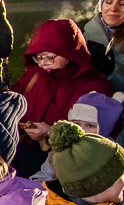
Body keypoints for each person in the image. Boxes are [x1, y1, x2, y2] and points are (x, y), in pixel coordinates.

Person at [10, 18, 115, 177]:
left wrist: (52, 131)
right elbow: (10, 102)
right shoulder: (34, 75)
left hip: (69, 164)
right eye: (38, 57)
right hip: (22, 154)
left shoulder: (97, 87)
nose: (43, 63)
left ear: (69, 54)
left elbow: (101, 139)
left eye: (49, 57)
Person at [31, 91, 124, 183]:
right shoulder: (61, 150)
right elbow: (43, 175)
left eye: (90, 126)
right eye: (76, 124)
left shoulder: (111, 157)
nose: (81, 129)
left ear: (105, 129)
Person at [83, 0, 124, 90]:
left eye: (122, 4)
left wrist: (110, 72)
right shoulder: (84, 34)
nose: (113, 8)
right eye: (109, 2)